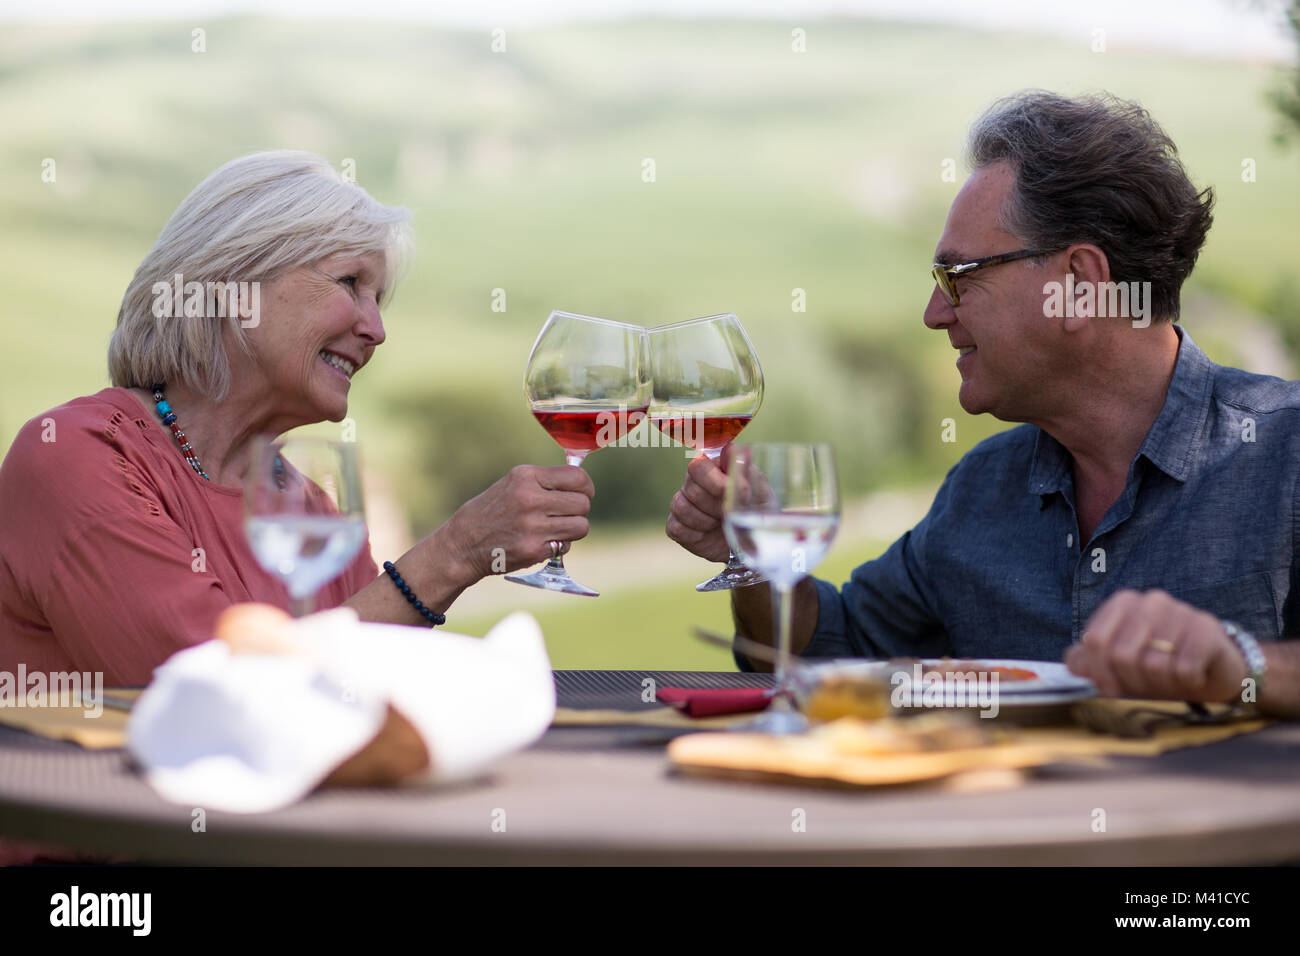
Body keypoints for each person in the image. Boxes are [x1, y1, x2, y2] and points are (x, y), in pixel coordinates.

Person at [666, 91, 1300, 717]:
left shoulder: (1286, 453)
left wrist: (1240, 662)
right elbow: (822, 653)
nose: (934, 313)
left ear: (1080, 284)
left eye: (958, 277)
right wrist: (754, 559)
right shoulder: (982, 489)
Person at [0, 151, 594, 687]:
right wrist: (456, 552)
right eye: (349, 283)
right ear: (234, 284)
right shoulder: (79, 455)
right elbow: (211, 691)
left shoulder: (306, 510)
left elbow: (359, 692)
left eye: (379, 300)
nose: (376, 330)